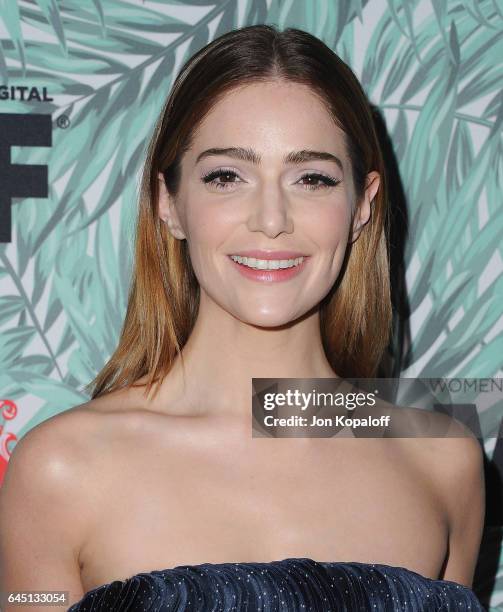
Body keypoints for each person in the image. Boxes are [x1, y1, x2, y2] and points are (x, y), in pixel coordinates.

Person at [0, 24, 485, 611]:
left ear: (361, 206)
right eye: (226, 176)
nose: (272, 219)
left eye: (312, 178)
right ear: (169, 204)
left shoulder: (442, 462)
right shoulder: (62, 470)